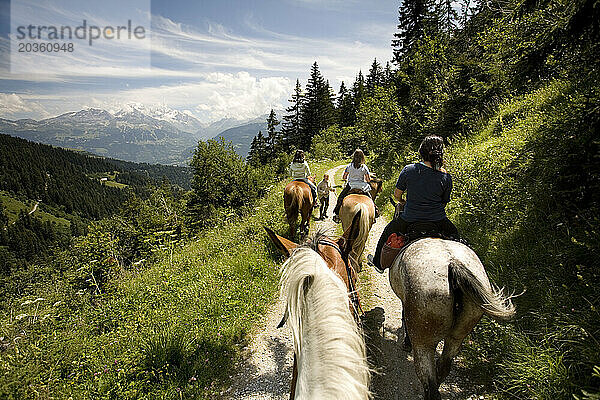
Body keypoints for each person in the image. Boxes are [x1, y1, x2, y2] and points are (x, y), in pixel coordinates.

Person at [370, 135, 459, 273]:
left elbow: (397, 195)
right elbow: (444, 202)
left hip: (410, 218)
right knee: (456, 236)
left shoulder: (409, 170)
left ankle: (378, 264)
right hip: (438, 220)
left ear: (422, 152)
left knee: (387, 231)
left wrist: (402, 201)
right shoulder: (445, 176)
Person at [333, 148, 377, 223]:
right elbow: (368, 180)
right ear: (362, 157)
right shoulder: (364, 167)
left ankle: (337, 214)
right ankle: (375, 211)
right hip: (362, 186)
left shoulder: (349, 166)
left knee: (340, 198)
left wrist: (346, 179)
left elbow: (344, 177)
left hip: (351, 185)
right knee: (370, 199)